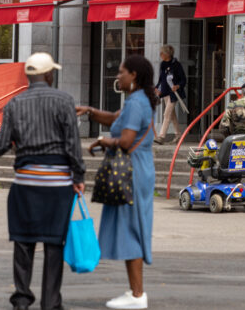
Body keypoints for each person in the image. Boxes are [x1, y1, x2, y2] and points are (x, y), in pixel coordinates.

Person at [0, 52, 85, 310]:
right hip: (58, 185)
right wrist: (79, 176)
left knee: (23, 242)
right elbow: (73, 144)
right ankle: (51, 302)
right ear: (49, 75)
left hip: (25, 184)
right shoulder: (64, 101)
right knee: (53, 243)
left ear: (28, 76)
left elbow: (2, 144)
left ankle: (22, 299)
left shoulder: (15, 104)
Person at [76, 55, 157, 310]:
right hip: (137, 169)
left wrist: (102, 142)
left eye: (121, 72)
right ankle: (135, 292)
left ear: (133, 75)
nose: (117, 76)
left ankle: (137, 295)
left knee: (131, 227)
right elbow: (113, 118)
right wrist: (89, 110)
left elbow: (124, 141)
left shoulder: (136, 103)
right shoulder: (137, 100)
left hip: (131, 170)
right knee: (130, 226)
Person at [154, 44, 187, 145]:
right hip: (165, 92)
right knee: (172, 115)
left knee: (166, 114)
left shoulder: (176, 65)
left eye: (162, 53)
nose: (160, 54)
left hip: (174, 94)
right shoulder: (163, 64)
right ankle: (178, 135)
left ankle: (161, 136)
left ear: (167, 54)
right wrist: (157, 88)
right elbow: (161, 79)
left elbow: (183, 80)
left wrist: (177, 86)